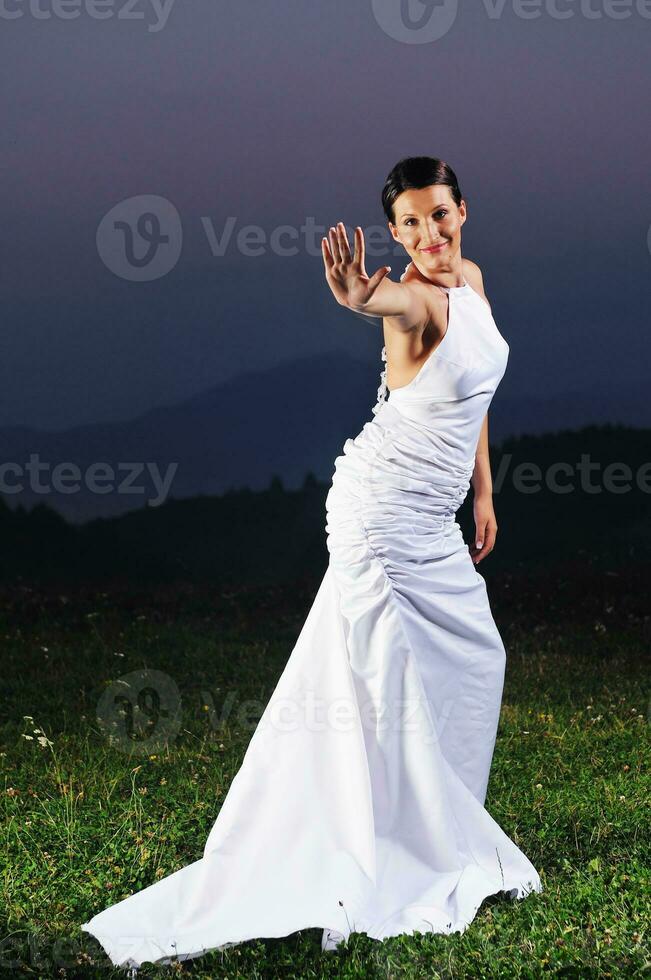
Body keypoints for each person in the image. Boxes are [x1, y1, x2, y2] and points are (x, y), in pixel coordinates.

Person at [81, 156, 542, 974]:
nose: (429, 235)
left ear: (462, 211)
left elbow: (474, 397)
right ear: (394, 234)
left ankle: (429, 826)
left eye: (439, 215)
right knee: (379, 680)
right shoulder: (413, 303)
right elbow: (384, 302)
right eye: (410, 223)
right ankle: (379, 845)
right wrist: (359, 295)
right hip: (376, 510)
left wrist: (484, 493)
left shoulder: (468, 279)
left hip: (432, 515)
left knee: (476, 656)